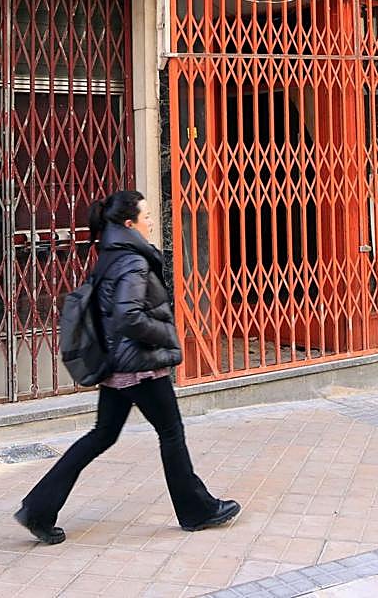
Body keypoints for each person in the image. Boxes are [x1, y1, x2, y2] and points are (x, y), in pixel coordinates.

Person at [14, 191, 240, 544]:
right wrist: (166, 333)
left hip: (117, 367)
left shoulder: (112, 254)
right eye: (146, 215)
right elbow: (129, 315)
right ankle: (197, 510)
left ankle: (38, 509)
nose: (152, 221)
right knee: (171, 433)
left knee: (101, 435)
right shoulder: (132, 261)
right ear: (129, 223)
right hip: (140, 366)